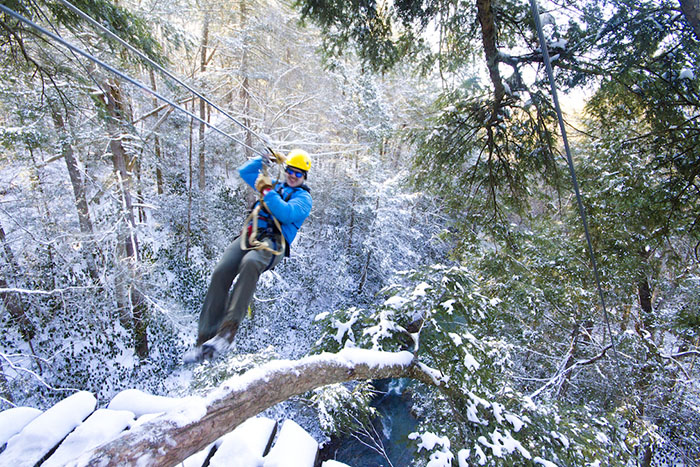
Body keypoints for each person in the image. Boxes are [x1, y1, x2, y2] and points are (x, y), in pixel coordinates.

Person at [184, 149, 312, 363]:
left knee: (250, 263)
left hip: (273, 244)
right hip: (250, 236)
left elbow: (285, 213)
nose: (292, 176)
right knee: (222, 271)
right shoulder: (275, 186)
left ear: (304, 177)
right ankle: (205, 338)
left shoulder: (304, 199)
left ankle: (228, 330)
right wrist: (264, 160)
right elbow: (246, 172)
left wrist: (266, 191)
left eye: (298, 174)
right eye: (290, 170)